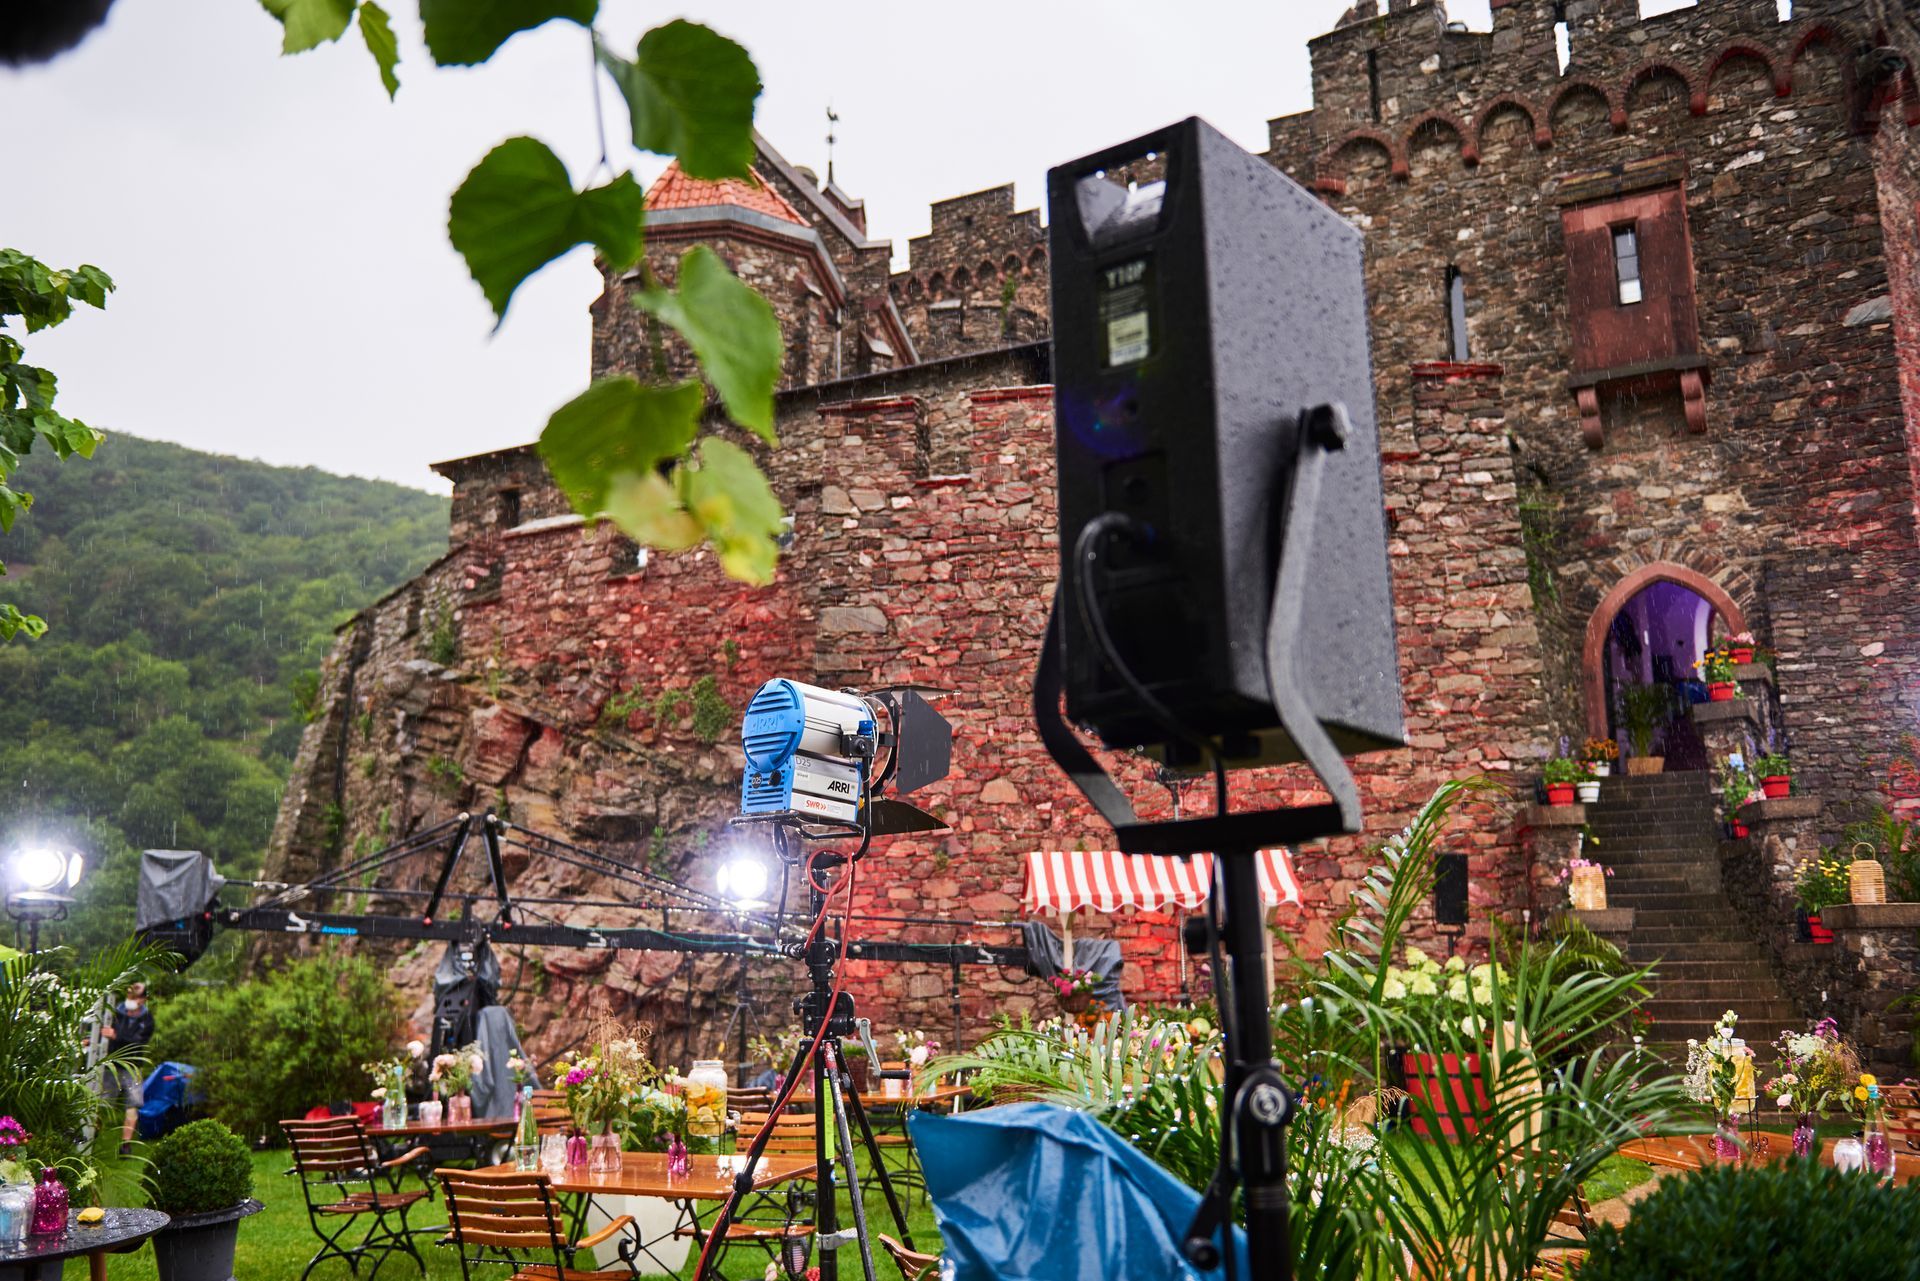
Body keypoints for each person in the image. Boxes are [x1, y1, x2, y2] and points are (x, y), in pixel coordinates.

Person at [101, 981, 154, 1154]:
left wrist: (116, 1036)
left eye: (136, 996)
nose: (131, 999)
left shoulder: (147, 1020)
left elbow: (138, 1042)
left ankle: (125, 1144)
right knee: (101, 1102)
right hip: (111, 1066)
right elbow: (102, 1030)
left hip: (132, 1067)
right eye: (130, 995)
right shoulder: (115, 1013)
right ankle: (90, 1136)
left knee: (132, 1105)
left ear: (143, 999)